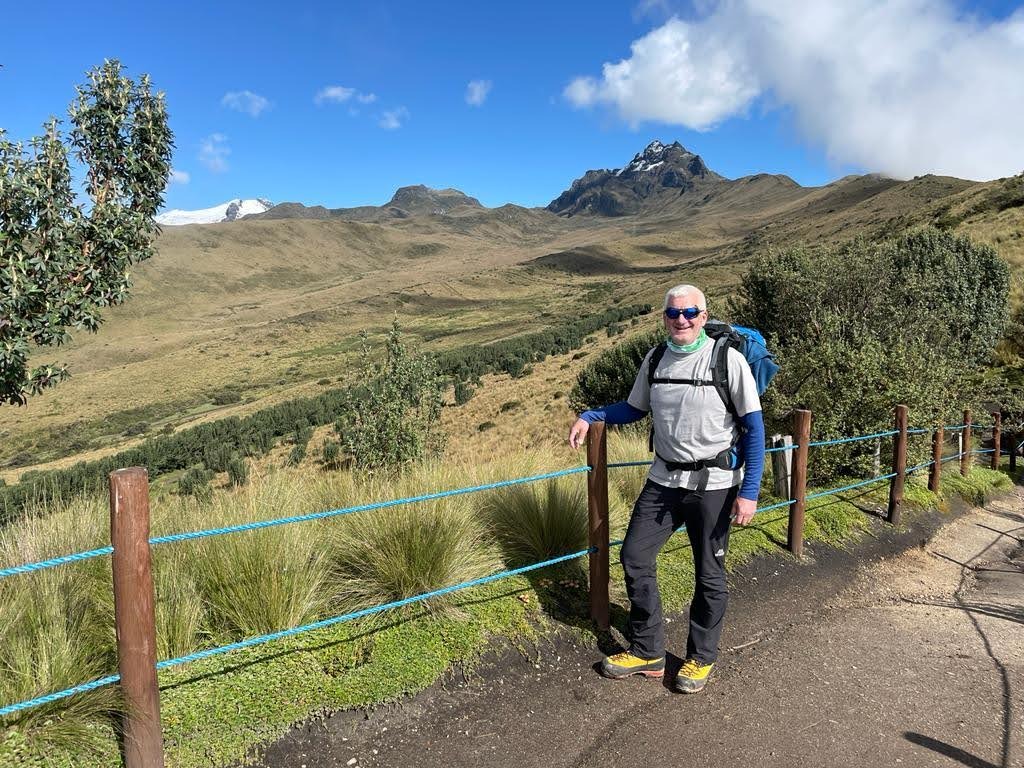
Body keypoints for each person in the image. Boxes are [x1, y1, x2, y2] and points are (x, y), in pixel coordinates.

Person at [568, 283, 765, 693]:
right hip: (664, 480)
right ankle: (648, 651)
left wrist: (749, 491)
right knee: (635, 556)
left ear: (704, 317)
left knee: (709, 574)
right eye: (674, 314)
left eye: (691, 312)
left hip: (716, 485)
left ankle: (700, 657)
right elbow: (634, 408)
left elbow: (754, 428)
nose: (682, 320)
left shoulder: (728, 361)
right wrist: (592, 414)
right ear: (664, 318)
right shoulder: (655, 358)